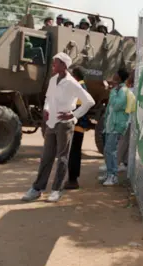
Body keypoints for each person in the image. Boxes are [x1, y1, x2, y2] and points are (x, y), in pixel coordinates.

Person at [22, 53, 95, 202]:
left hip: (64, 125)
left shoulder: (72, 83)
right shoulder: (53, 80)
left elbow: (89, 101)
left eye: (55, 63)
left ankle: (56, 190)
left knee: (62, 157)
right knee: (46, 157)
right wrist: (47, 109)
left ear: (63, 65)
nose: (53, 65)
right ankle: (37, 188)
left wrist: (74, 116)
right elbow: (49, 98)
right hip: (52, 123)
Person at [99, 71, 135, 174]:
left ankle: (112, 175)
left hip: (117, 125)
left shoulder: (122, 90)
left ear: (119, 77)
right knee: (108, 150)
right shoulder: (118, 89)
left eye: (116, 74)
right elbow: (109, 109)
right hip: (111, 125)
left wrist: (113, 92)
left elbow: (116, 106)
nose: (113, 75)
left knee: (112, 150)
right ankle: (109, 173)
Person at [64, 66, 90, 190]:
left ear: (75, 76)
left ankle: (73, 180)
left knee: (74, 153)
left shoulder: (78, 87)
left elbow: (78, 108)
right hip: (78, 126)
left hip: (76, 126)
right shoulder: (81, 86)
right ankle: (72, 178)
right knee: (75, 152)